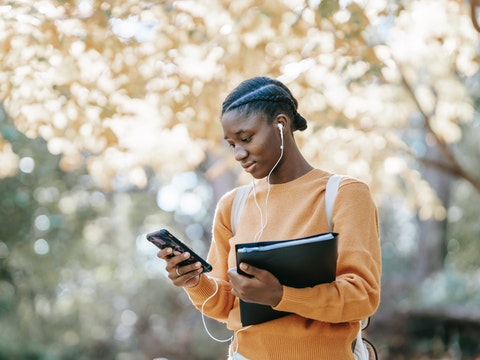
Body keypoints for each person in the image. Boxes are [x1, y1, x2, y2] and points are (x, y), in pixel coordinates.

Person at [156, 76, 382, 359]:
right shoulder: (233, 205)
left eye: (246, 138)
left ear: (281, 125)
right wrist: (194, 282)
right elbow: (224, 305)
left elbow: (362, 296)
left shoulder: (343, 194)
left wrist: (279, 295)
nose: (238, 153)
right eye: (231, 144)